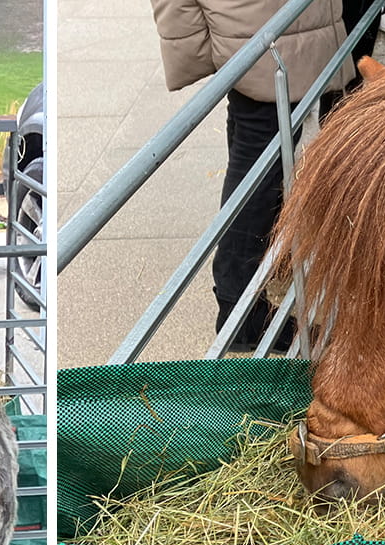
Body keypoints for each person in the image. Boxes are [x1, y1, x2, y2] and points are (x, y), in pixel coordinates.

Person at [149, 0, 354, 350]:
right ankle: (240, 311)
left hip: (270, 27)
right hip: (261, 29)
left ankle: (248, 290)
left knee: (259, 145)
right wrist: (198, 47)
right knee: (260, 157)